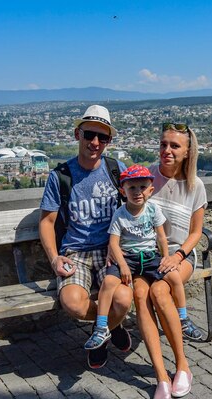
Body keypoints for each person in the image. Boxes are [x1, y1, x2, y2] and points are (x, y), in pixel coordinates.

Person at [39, 104, 132, 369]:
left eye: (102, 138)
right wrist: (55, 257)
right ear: (77, 134)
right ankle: (109, 327)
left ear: (109, 141)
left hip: (109, 249)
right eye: (89, 135)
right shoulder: (61, 176)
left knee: (124, 299)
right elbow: (47, 221)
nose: (95, 142)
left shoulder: (116, 169)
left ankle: (99, 333)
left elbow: (135, 205)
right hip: (75, 252)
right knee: (73, 304)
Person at [133, 123, 207, 399]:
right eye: (163, 144)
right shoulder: (146, 176)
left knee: (160, 294)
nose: (167, 151)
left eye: (174, 146)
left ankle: (182, 366)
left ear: (188, 151)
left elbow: (196, 232)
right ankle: (161, 376)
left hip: (180, 256)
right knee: (141, 295)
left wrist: (177, 257)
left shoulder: (195, 185)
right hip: (145, 257)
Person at [84, 165, 195, 354]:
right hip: (128, 258)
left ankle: (183, 318)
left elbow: (160, 236)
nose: (137, 192)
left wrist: (166, 256)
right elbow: (114, 243)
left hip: (151, 256)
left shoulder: (152, 210)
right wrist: (123, 265)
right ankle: (102, 327)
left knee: (174, 277)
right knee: (109, 282)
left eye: (142, 187)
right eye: (132, 188)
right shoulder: (120, 214)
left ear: (150, 190)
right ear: (123, 191)